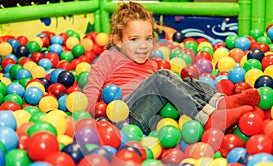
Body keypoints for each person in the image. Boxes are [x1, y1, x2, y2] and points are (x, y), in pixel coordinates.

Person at [84, 1, 260, 135]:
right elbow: (92, 87)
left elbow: (171, 92)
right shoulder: (110, 57)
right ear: (117, 41)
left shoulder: (151, 63)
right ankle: (207, 117)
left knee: (182, 79)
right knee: (162, 76)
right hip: (127, 118)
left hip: (151, 118)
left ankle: (219, 101)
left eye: (148, 38)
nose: (143, 46)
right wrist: (88, 120)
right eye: (134, 39)